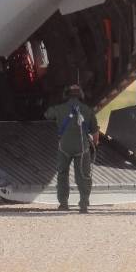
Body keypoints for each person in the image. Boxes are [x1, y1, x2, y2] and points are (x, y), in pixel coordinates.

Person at [45, 84, 99, 214]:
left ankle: (63, 203)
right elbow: (95, 133)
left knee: (62, 174)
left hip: (64, 147)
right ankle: (84, 204)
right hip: (82, 147)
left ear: (66, 95)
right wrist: (94, 145)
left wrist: (55, 104)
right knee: (84, 175)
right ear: (81, 95)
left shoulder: (59, 108)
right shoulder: (88, 110)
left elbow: (47, 115)